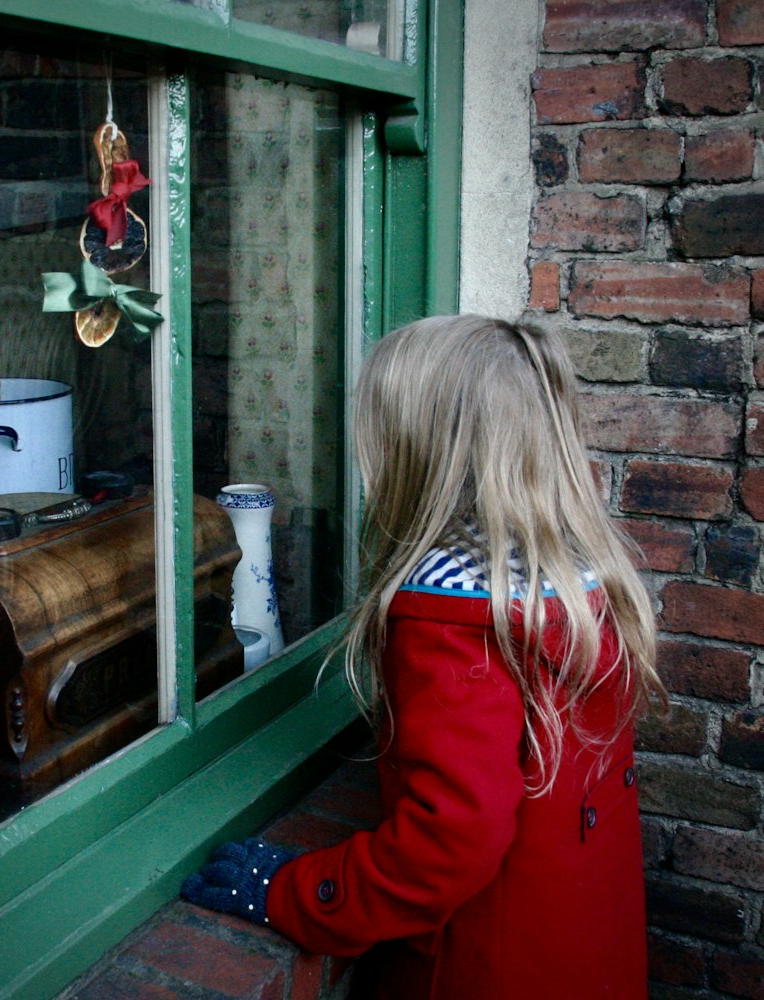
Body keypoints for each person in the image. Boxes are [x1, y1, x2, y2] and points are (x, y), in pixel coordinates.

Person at [182, 316, 666, 999]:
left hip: (484, 969)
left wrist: (302, 892)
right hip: (582, 950)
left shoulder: (452, 614)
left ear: (421, 452)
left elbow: (451, 840)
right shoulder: (581, 575)